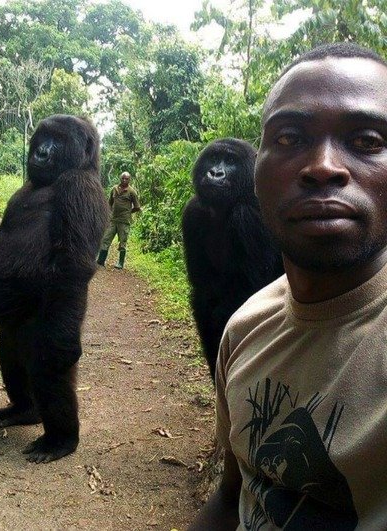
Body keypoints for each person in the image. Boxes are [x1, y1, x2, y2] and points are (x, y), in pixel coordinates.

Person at [189, 43, 387, 530]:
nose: (322, 165)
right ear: (258, 178)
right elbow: (232, 497)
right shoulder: (247, 327)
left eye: (365, 140)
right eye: (288, 138)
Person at [96, 171, 141, 269]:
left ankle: (120, 263)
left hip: (124, 221)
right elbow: (109, 204)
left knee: (122, 242)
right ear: (120, 178)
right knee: (106, 239)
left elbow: (137, 207)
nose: (124, 180)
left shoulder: (131, 192)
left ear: (129, 180)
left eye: (127, 179)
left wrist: (128, 212)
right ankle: (101, 260)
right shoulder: (114, 189)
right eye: (123, 178)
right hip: (113, 220)